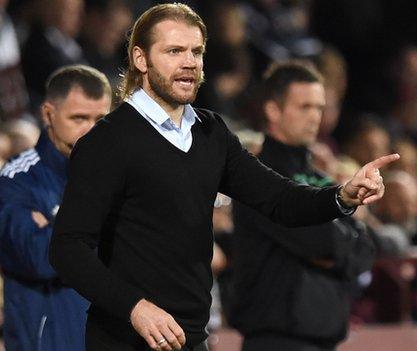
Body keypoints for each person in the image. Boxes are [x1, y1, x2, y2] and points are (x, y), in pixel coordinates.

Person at [49, 4, 398, 351]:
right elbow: (68, 249)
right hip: (124, 341)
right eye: (174, 51)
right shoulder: (107, 142)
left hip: (192, 339)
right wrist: (135, 308)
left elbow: (280, 200)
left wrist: (342, 196)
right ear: (141, 59)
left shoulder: (210, 132)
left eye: (196, 51)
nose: (190, 61)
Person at [230, 60, 375, 351]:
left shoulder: (324, 181)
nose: (315, 118)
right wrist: (339, 240)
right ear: (273, 109)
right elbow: (321, 242)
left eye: (319, 108)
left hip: (324, 341)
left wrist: (337, 242)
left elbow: (366, 251)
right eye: (305, 107)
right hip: (274, 341)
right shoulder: (256, 176)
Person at [0, 65, 111, 351]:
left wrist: (56, 228)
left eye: (100, 119)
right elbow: (38, 258)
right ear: (48, 114)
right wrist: (105, 220)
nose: (91, 130)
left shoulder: (119, 175)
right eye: (79, 118)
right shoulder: (15, 181)